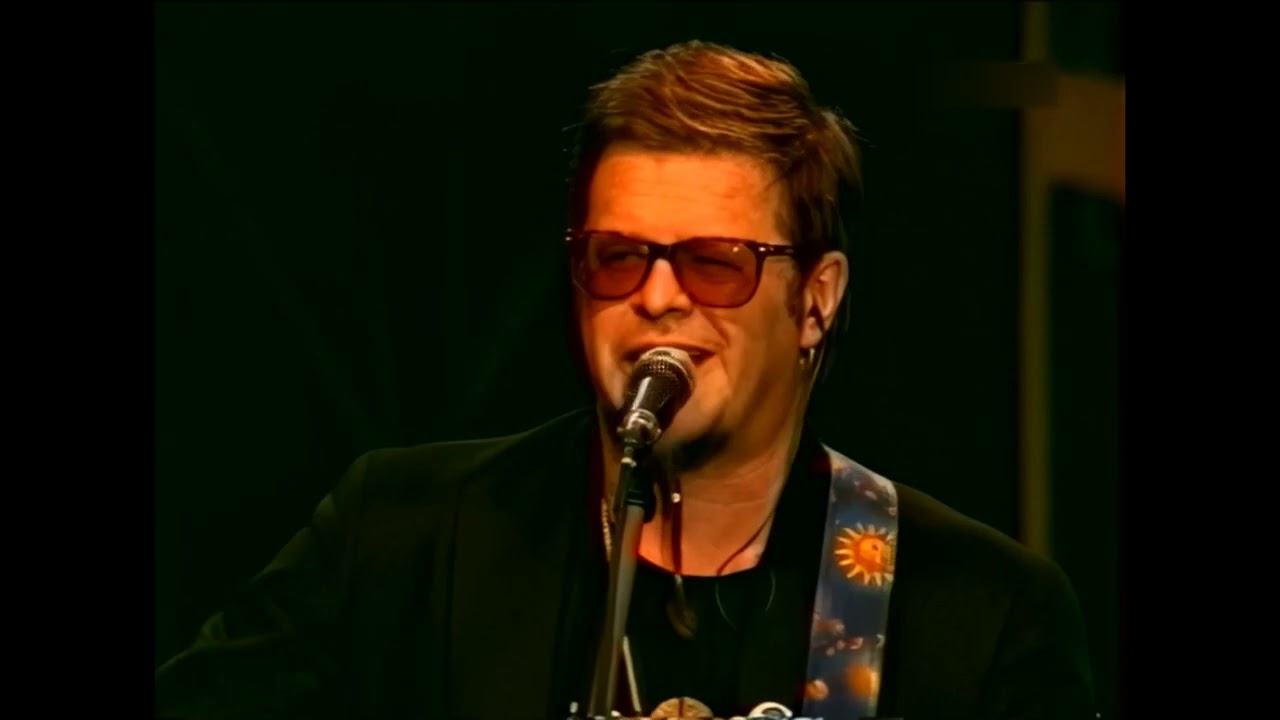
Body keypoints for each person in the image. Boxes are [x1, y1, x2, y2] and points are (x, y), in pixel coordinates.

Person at [155, 41, 1095, 720]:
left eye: (715, 263)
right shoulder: (402, 536)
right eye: (619, 257)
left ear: (815, 300)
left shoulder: (976, 607)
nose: (656, 296)